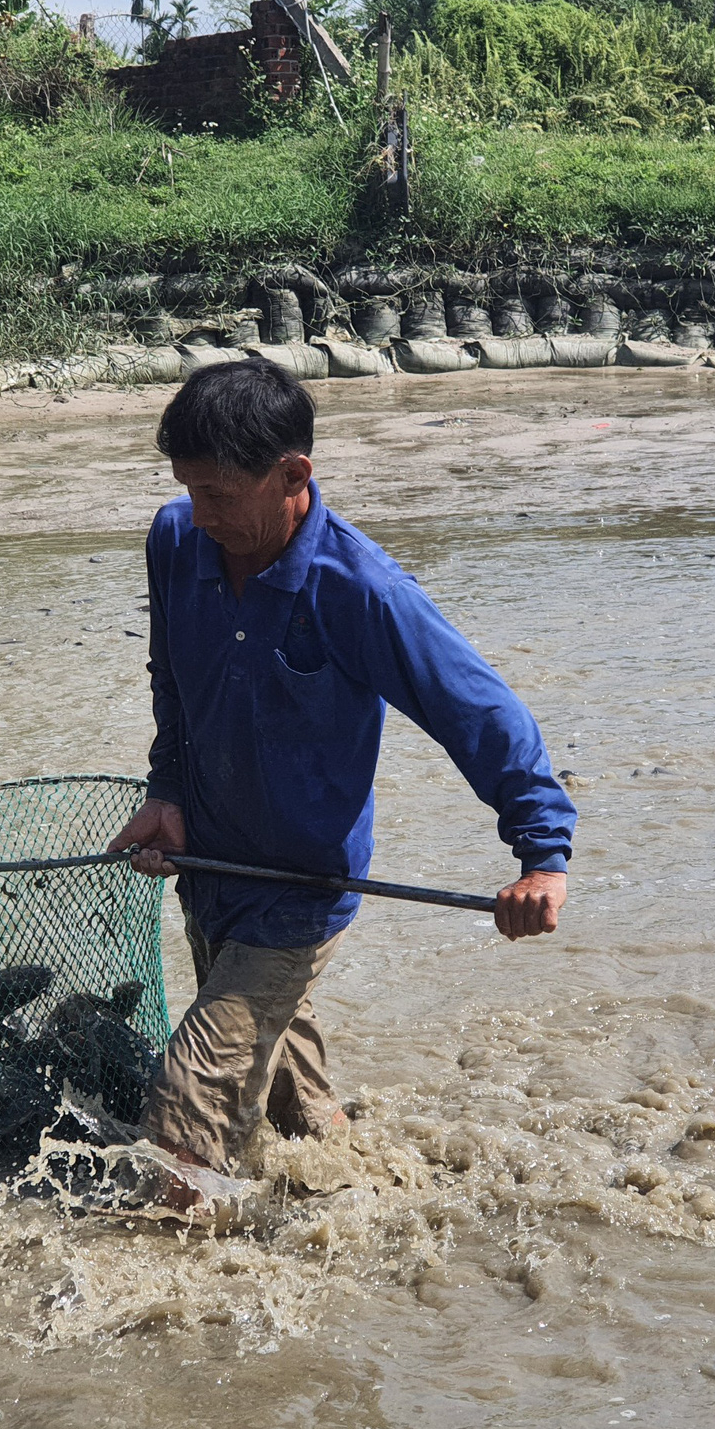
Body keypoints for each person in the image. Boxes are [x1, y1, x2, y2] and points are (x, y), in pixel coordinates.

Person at [108, 357, 576, 1186]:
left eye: (219, 494)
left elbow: (479, 710)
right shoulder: (177, 540)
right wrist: (168, 793)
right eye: (189, 489)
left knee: (182, 1124)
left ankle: (169, 1281)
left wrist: (542, 855)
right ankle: (363, 1189)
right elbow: (171, 682)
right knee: (291, 1116)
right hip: (208, 864)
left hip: (300, 888)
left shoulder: (360, 590)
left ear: (294, 475)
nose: (200, 512)